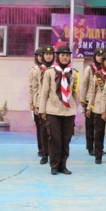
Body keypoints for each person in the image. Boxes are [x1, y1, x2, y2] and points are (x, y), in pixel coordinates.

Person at [39, 45, 79, 175]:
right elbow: (44, 92)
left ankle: (63, 165)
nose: (65, 57)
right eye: (62, 55)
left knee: (66, 139)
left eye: (67, 55)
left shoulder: (73, 73)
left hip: (68, 111)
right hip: (53, 111)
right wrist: (42, 110)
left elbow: (74, 93)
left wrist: (75, 107)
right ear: (58, 56)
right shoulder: (50, 72)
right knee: (54, 139)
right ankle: (54, 165)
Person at [86, 52, 106, 164]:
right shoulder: (97, 75)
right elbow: (92, 92)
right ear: (102, 62)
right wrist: (89, 107)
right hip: (98, 107)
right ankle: (98, 155)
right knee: (99, 132)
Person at [81, 48, 105, 156]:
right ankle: (90, 147)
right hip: (89, 100)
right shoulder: (90, 68)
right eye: (98, 55)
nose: (100, 57)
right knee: (90, 125)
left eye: (102, 55)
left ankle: (99, 147)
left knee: (100, 126)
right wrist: (82, 99)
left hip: (101, 101)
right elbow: (84, 84)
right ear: (94, 56)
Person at [34, 45, 55, 165]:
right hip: (41, 104)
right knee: (43, 130)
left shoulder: (56, 69)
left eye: (50, 54)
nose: (48, 56)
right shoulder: (38, 70)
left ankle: (53, 153)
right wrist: (36, 104)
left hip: (52, 104)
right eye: (46, 54)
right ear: (42, 56)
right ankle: (45, 154)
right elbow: (36, 88)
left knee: (52, 131)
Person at [29, 47, 43, 157]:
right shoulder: (33, 71)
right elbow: (31, 88)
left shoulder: (52, 69)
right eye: (39, 55)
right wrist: (32, 103)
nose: (42, 57)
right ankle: (41, 148)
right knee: (40, 127)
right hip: (37, 102)